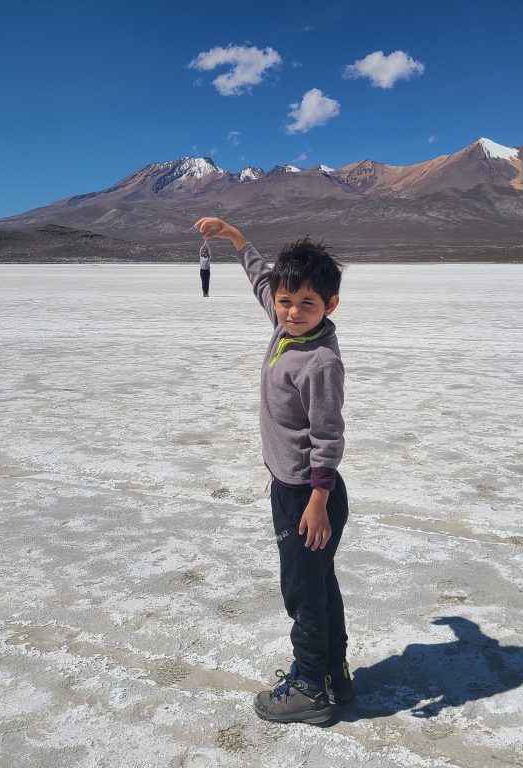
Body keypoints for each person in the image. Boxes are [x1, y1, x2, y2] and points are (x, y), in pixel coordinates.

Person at [193, 216, 352, 725]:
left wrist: (318, 500)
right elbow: (263, 278)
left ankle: (311, 688)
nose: (292, 311)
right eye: (287, 302)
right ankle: (333, 673)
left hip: (309, 494)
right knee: (319, 582)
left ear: (330, 305)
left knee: (304, 592)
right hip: (294, 488)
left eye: (308, 303)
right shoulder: (286, 326)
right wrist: (235, 236)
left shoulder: (319, 361)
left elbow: (328, 436)